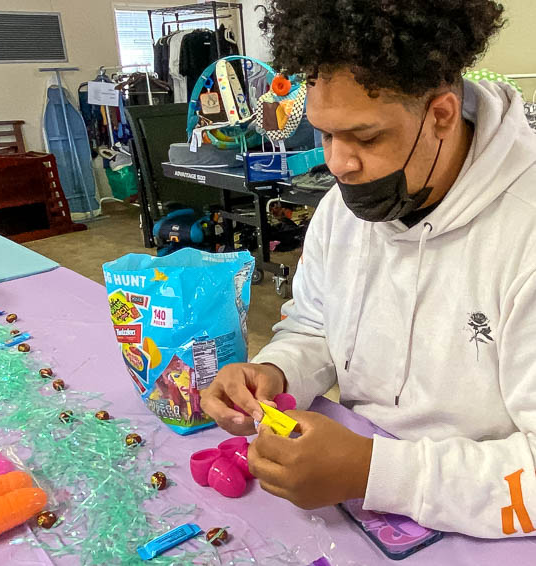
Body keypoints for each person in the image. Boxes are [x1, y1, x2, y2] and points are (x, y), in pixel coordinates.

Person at [201, 0, 536, 539]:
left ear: (442, 114)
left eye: (366, 137)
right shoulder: (345, 206)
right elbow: (316, 324)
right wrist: (277, 371)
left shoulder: (525, 232)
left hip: (483, 523)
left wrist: (375, 472)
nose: (338, 164)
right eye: (325, 135)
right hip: (361, 497)